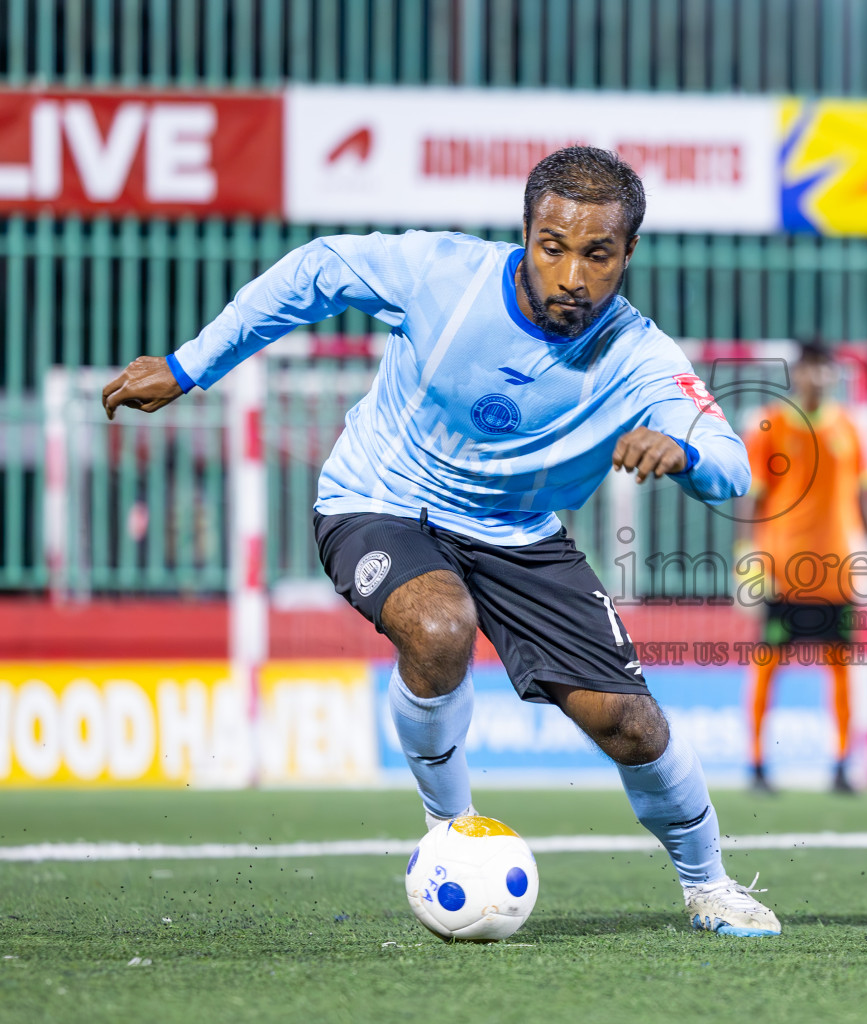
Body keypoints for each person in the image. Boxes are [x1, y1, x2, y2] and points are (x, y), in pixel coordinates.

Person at [101, 146, 780, 939]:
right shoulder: (440, 274)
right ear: (524, 234)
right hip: (379, 500)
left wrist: (687, 455)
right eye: (552, 247)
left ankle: (710, 886)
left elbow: (733, 469)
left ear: (627, 253)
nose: (571, 276)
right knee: (438, 623)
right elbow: (315, 269)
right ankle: (449, 833)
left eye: (597, 254)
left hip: (520, 537)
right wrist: (190, 366)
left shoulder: (640, 357)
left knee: (630, 724)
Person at [739, 341, 867, 795]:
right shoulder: (771, 424)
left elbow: (866, 497)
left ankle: (842, 763)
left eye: (825, 369)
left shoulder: (850, 428)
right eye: (810, 369)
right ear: (797, 374)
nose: (818, 377)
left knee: (840, 669)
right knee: (766, 667)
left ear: (833, 375)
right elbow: (752, 496)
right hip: (782, 568)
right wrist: (746, 554)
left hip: (836, 570)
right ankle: (757, 764)